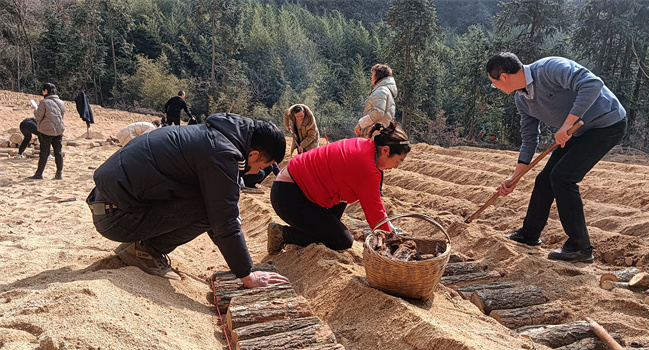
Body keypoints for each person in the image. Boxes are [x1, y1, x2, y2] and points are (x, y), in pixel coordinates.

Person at [86, 112, 289, 288]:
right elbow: (223, 220)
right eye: (263, 166)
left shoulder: (213, 136)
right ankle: (145, 251)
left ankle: (138, 244)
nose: (259, 172)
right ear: (253, 154)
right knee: (210, 210)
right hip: (115, 218)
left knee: (211, 204)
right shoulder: (221, 154)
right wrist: (247, 275)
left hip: (108, 205)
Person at [486, 52, 627, 263]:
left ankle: (580, 247)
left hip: (606, 124)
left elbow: (593, 84)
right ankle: (530, 233)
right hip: (575, 131)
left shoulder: (550, 68)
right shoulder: (522, 100)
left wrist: (568, 123)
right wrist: (514, 178)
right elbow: (529, 138)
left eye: (494, 83)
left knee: (563, 177)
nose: (495, 87)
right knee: (545, 179)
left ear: (503, 77)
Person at [267, 121, 410, 254]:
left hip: (298, 188)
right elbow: (375, 213)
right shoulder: (367, 168)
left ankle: (307, 232)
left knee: (336, 217)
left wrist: (391, 231)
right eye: (398, 161)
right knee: (341, 241)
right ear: (385, 150)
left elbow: (376, 207)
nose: (396, 166)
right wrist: (391, 244)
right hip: (290, 197)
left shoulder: (365, 146)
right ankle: (281, 234)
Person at [30, 83, 65, 180]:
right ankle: (59, 174)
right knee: (58, 152)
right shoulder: (61, 102)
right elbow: (61, 116)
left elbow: (38, 117)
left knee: (44, 152)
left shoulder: (44, 102)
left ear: (46, 91)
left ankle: (39, 173)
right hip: (59, 129)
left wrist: (35, 110)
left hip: (46, 130)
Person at [354, 64, 397, 138]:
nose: (371, 77)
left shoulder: (381, 91)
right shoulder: (386, 90)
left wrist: (360, 124)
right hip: (380, 133)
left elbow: (378, 112)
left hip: (375, 135)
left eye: (373, 75)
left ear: (379, 76)